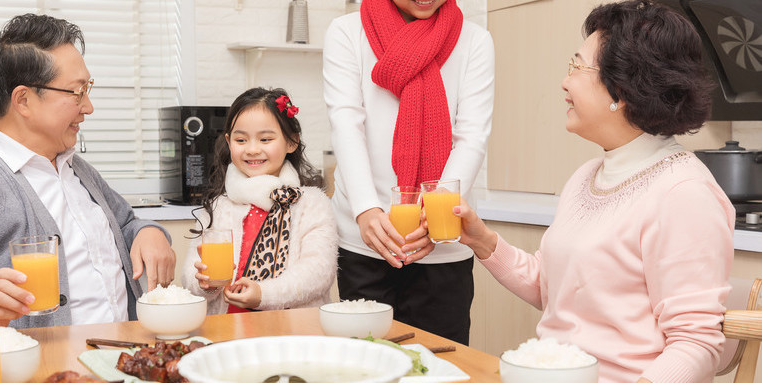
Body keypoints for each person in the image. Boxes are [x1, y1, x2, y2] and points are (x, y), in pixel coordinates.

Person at [452, 1, 734, 381]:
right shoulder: (587, 176)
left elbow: (695, 343)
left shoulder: (683, 192)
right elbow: (556, 289)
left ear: (623, 88)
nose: (565, 82)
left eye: (578, 67)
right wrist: (483, 241)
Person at [0, 13, 177, 345]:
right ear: (23, 100)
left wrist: (148, 231)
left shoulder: (76, 169)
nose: (89, 107)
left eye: (87, 89)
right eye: (77, 92)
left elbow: (124, 225)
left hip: (122, 362)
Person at [322, 0, 494, 344]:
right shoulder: (347, 33)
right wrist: (366, 209)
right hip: (366, 240)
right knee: (365, 365)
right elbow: (346, 123)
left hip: (442, 241)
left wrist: (438, 212)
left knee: (441, 363)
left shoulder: (475, 40)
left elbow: (472, 135)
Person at [182, 87, 338, 314]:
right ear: (229, 141)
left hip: (293, 335)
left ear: (292, 142)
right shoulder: (218, 207)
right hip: (228, 331)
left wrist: (263, 295)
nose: (252, 149)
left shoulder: (311, 204)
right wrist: (203, 283)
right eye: (241, 139)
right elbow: (190, 272)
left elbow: (318, 273)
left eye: (265, 139)